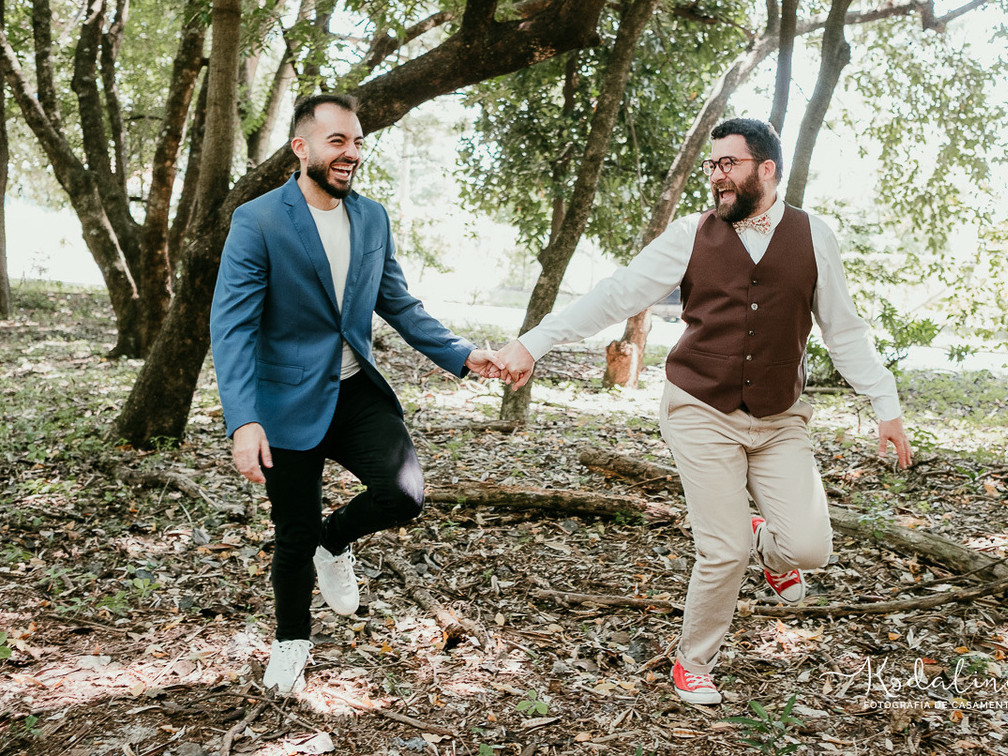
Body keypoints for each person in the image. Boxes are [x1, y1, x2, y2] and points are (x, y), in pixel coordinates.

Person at [495, 118, 912, 705]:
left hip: (778, 416)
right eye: (712, 165)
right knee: (724, 550)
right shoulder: (690, 235)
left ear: (766, 169)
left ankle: (771, 542)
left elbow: (844, 330)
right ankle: (694, 662)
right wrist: (533, 342)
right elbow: (615, 294)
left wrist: (885, 405)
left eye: (729, 165)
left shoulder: (815, 236)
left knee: (811, 548)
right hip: (699, 407)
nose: (716, 176)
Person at [210, 94, 504, 695]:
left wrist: (461, 353)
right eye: (337, 141)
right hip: (283, 402)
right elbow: (232, 327)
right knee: (292, 535)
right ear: (302, 148)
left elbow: (397, 301)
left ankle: (335, 538)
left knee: (404, 495)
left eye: (358, 141)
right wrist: (243, 420)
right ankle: (291, 642)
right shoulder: (259, 220)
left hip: (353, 389)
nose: (351, 153)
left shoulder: (372, 218)